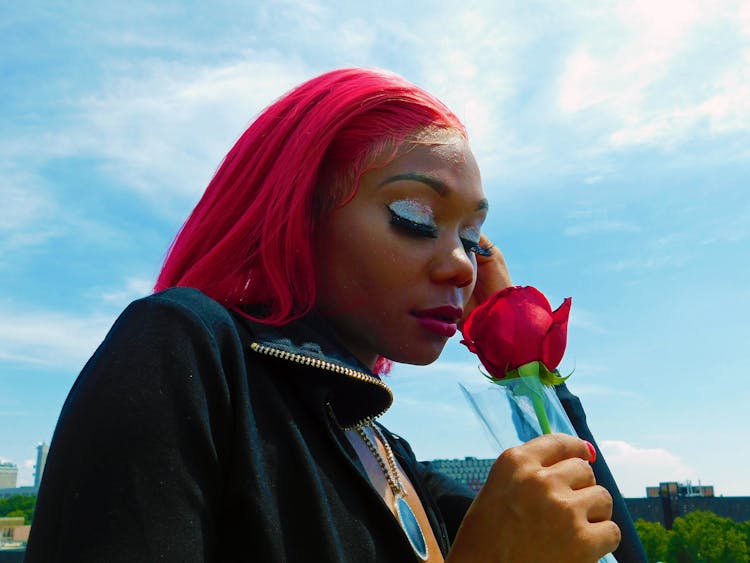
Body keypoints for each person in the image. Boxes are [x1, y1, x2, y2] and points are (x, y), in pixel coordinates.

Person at [26, 68, 643, 562]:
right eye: (417, 216)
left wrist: (520, 356)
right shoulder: (185, 350)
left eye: (475, 236)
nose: (463, 265)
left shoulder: (394, 458)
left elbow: (602, 540)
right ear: (299, 213)